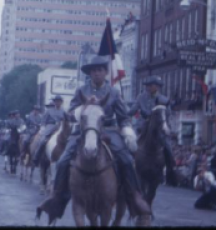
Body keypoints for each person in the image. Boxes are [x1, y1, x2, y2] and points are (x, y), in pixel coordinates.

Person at [37, 55, 151, 224]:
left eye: (100, 70)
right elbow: (70, 113)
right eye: (93, 71)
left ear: (105, 72)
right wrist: (84, 107)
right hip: (84, 131)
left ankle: (134, 196)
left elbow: (123, 117)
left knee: (126, 159)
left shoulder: (114, 92)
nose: (96, 73)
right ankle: (56, 196)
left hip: (109, 130)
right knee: (62, 161)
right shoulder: (81, 91)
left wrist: (127, 132)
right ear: (89, 73)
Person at [132, 76, 178, 186]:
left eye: (151, 85)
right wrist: (124, 113)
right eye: (148, 85)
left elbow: (168, 115)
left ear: (157, 87)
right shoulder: (141, 97)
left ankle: (171, 170)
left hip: (157, 128)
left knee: (167, 146)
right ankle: (128, 167)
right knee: (130, 143)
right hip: (141, 127)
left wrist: (167, 127)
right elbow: (133, 110)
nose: (149, 87)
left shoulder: (163, 100)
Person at [34, 96, 67, 163]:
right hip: (50, 126)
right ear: (54, 102)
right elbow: (43, 120)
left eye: (59, 101)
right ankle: (36, 156)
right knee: (42, 141)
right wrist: (43, 127)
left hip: (60, 126)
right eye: (56, 101)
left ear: (61, 102)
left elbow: (66, 120)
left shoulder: (64, 111)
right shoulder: (49, 110)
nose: (58, 103)